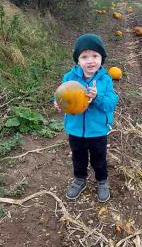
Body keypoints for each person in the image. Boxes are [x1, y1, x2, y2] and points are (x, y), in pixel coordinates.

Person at [54, 33, 119, 202]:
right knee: (78, 157)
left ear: (101, 58)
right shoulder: (69, 78)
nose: (90, 61)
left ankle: (102, 181)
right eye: (84, 57)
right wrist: (57, 102)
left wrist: (97, 97)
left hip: (97, 130)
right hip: (75, 129)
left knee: (99, 158)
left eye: (95, 56)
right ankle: (79, 179)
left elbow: (111, 103)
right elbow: (61, 95)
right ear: (78, 60)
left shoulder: (105, 79)